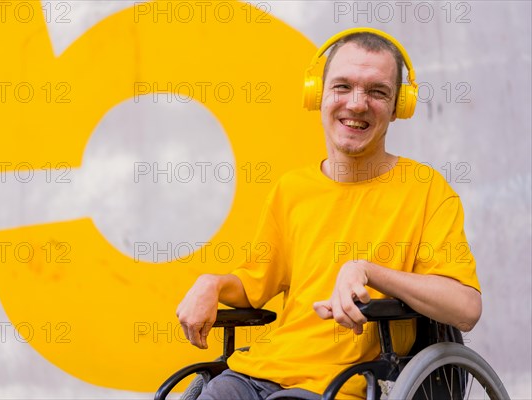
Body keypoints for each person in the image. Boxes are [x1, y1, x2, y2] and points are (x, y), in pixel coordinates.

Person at [176, 28, 482, 399]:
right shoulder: (292, 190)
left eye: (377, 91)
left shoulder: (426, 189)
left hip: (349, 383)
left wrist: (367, 271)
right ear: (316, 95)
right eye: (342, 87)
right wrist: (211, 283)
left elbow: (465, 308)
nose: (356, 104)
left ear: (400, 106)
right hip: (258, 372)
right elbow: (254, 285)